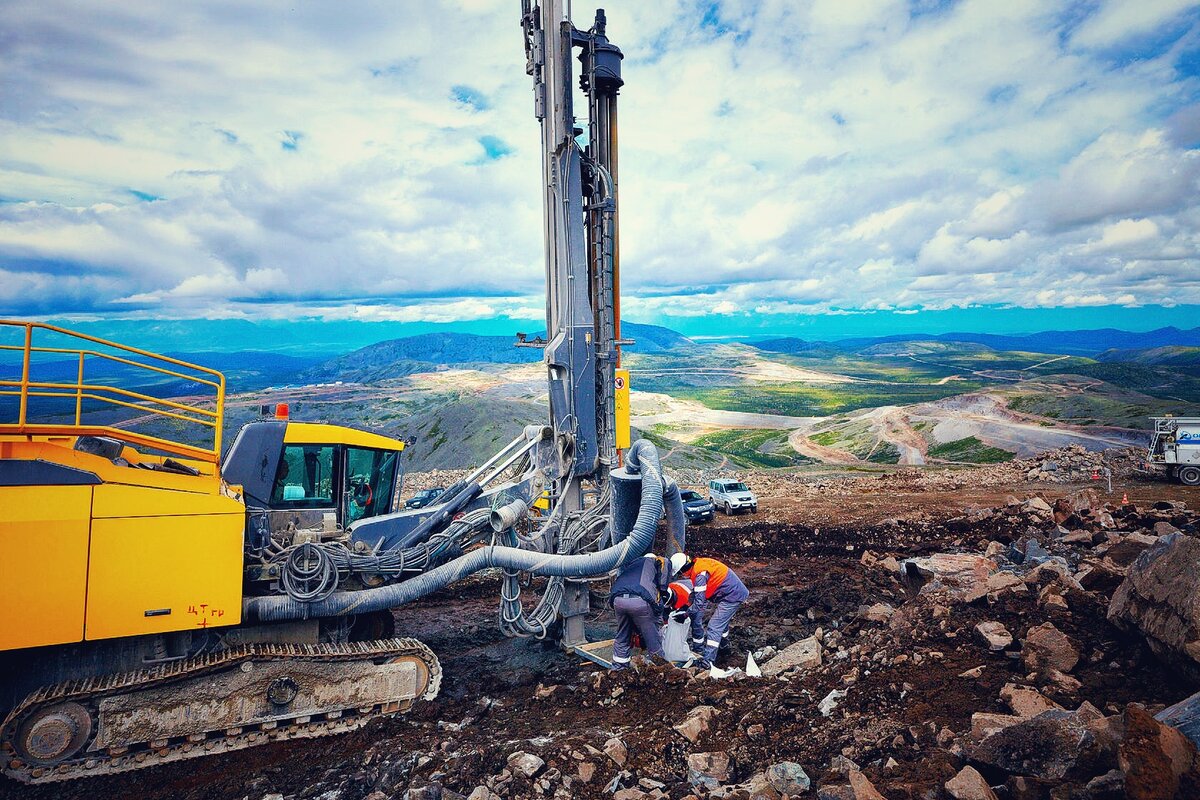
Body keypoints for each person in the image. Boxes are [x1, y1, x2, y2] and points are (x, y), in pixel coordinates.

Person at [669, 552, 749, 669]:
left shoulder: (700, 575)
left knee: (714, 626)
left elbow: (699, 603)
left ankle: (708, 662)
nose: (682, 576)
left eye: (680, 573)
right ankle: (724, 647)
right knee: (721, 622)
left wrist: (685, 614)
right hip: (730, 593)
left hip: (732, 596)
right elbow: (696, 594)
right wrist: (685, 606)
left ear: (683, 569)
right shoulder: (699, 565)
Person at [609, 553, 669, 670]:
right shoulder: (658, 562)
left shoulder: (632, 564)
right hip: (640, 601)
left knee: (622, 636)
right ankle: (659, 670)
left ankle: (618, 669)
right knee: (653, 639)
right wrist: (659, 614)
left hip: (617, 600)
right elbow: (662, 589)